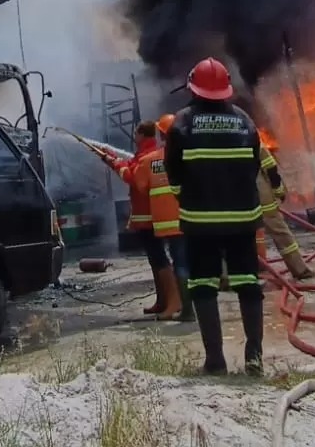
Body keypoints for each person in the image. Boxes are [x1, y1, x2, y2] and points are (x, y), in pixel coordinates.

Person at [164, 57, 266, 376]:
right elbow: (254, 166)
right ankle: (254, 357)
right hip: (242, 218)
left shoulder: (181, 123)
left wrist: (188, 197)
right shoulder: (245, 121)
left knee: (203, 285)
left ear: (193, 89)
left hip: (200, 221)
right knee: (248, 282)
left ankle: (215, 361)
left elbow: (173, 174)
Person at [107, 121, 175, 316]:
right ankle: (162, 301)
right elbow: (132, 166)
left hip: (149, 217)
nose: (134, 136)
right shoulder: (146, 154)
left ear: (142, 135)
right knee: (155, 260)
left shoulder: (148, 157)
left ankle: (172, 301)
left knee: (159, 259)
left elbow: (133, 177)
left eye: (136, 132)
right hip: (149, 216)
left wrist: (115, 164)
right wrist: (111, 158)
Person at [147, 113, 190, 321]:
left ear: (162, 134)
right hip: (189, 218)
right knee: (188, 263)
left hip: (168, 223)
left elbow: (138, 182)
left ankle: (188, 311)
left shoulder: (152, 159)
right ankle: (189, 309)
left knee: (180, 264)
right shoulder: (188, 154)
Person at [256, 140, 315, 281]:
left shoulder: (214, 139)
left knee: (234, 235)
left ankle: (233, 277)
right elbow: (270, 167)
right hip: (261, 194)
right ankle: (300, 269)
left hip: (234, 198)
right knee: (280, 232)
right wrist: (279, 191)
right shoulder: (249, 135)